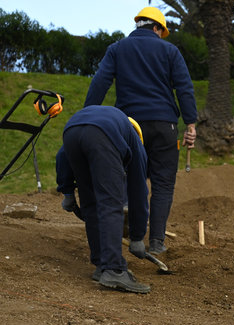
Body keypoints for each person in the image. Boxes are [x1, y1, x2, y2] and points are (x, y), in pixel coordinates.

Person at [84, 6, 197, 256]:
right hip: (164, 125)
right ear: (157, 28)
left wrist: (87, 113)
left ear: (139, 25)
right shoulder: (170, 51)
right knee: (163, 184)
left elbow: (100, 82)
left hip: (129, 125)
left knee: (130, 177)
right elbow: (184, 88)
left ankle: (128, 225)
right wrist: (191, 124)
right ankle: (156, 242)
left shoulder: (117, 48)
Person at [56, 105, 151, 294]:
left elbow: (62, 155)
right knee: (111, 203)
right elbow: (139, 191)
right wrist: (137, 237)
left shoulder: (109, 119)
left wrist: (67, 192)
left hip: (71, 130)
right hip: (100, 135)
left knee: (91, 203)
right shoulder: (135, 144)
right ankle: (114, 269)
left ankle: (101, 265)